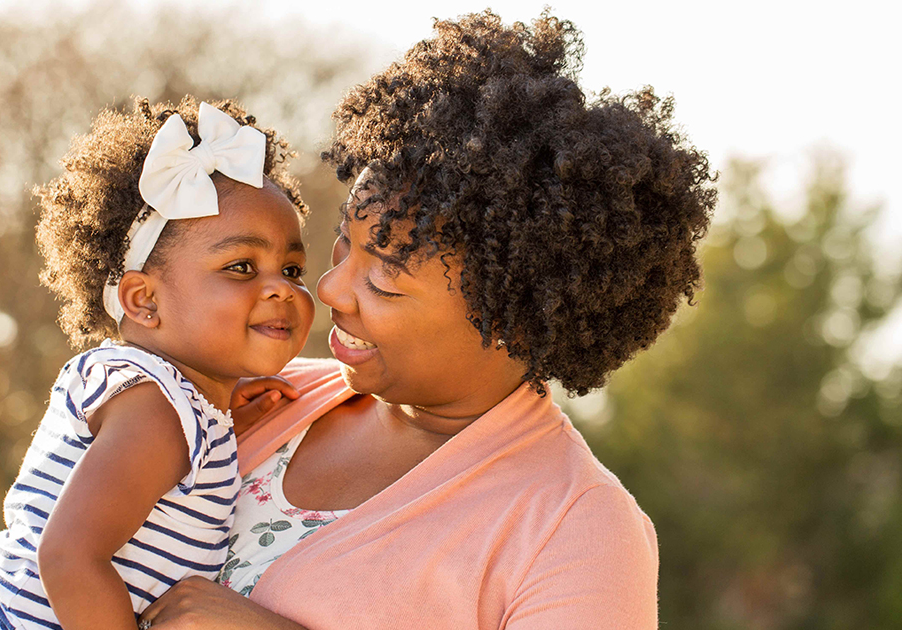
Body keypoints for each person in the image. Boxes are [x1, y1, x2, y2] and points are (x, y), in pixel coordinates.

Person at [136, 11, 715, 630]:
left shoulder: (575, 527)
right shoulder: (256, 398)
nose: (330, 289)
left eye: (382, 278)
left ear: (509, 319)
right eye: (341, 244)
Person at [0, 97, 316, 630]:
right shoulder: (153, 409)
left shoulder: (174, 406)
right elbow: (70, 555)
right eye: (241, 266)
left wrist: (224, 423)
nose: (281, 288)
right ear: (143, 301)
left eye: (293, 268)